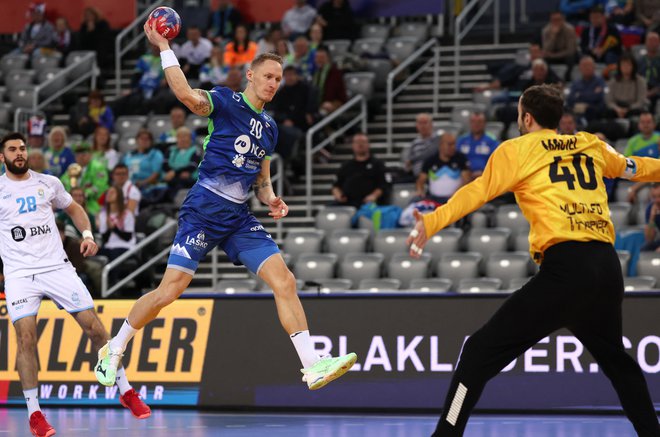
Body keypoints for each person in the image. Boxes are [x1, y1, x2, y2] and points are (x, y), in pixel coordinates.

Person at [95, 23, 357, 391]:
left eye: (279, 78)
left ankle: (312, 365)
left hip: (238, 217)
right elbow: (185, 94)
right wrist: (164, 47)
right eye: (267, 76)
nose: (273, 83)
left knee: (285, 281)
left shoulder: (269, 126)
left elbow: (260, 177)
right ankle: (115, 346)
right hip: (203, 209)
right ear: (250, 76)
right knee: (169, 292)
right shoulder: (225, 101)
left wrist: (271, 198)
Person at [406, 84, 660, 437]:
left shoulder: (518, 149)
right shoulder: (590, 144)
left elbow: (477, 192)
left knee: (479, 352)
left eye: (519, 114)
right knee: (620, 366)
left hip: (566, 270)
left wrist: (432, 221)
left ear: (526, 117)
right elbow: (637, 168)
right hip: (606, 268)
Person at [0, 132, 150, 437]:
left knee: (94, 328)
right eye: (12, 149)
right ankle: (35, 414)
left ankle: (126, 391)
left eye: (22, 148)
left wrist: (88, 235)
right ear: (1, 156)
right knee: (26, 339)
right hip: (19, 273)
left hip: (57, 267)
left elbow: (75, 209)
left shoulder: (48, 182)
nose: (19, 153)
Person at [332, 132, 388, 208]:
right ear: (352, 145)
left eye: (363, 142)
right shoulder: (346, 166)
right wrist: (339, 195)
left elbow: (383, 185)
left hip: (370, 203)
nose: (360, 145)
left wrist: (373, 196)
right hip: (348, 202)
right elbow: (336, 186)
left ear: (368, 144)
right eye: (357, 142)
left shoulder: (377, 164)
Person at [416, 133, 471, 203]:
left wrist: (456, 194)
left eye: (454, 144)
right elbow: (420, 181)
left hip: (455, 199)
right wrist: (420, 191)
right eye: (450, 144)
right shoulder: (430, 160)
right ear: (441, 145)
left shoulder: (461, 158)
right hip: (433, 199)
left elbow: (466, 180)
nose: (453, 147)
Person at [60, 142, 109, 215]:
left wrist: (83, 195)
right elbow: (62, 183)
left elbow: (99, 187)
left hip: (92, 204)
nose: (80, 157)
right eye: (78, 154)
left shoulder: (98, 167)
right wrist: (72, 194)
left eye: (84, 154)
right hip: (72, 202)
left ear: (90, 155)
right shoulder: (73, 167)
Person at [605, 53, 649, 120]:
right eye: (623, 65)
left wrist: (628, 109)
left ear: (633, 66)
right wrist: (617, 109)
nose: (625, 67)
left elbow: (641, 101)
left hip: (632, 108)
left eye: (628, 65)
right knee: (605, 111)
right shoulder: (613, 81)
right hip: (616, 108)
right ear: (619, 67)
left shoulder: (640, 81)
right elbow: (609, 100)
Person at [163, 126, 202, 200]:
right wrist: (172, 173)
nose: (182, 139)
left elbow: (192, 166)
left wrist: (174, 172)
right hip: (171, 178)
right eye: (180, 137)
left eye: (185, 136)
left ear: (190, 138)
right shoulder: (170, 150)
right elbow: (165, 165)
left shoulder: (196, 150)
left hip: (189, 179)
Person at [457, 112, 499, 178]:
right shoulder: (461, 140)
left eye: (479, 122)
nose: (476, 124)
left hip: (485, 176)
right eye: (473, 121)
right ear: (470, 123)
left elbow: (496, 162)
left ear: (484, 124)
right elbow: (455, 159)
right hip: (464, 176)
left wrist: (484, 172)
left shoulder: (492, 141)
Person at [566, 55, 606, 123]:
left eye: (589, 65)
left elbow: (599, 97)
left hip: (595, 115)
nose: (586, 68)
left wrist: (580, 95)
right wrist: (592, 94)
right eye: (584, 66)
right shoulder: (576, 83)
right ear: (580, 68)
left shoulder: (600, 81)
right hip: (576, 114)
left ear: (594, 67)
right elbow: (570, 99)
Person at [401, 113, 439, 182]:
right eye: (420, 123)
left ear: (431, 124)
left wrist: (412, 160)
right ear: (416, 126)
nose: (422, 126)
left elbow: (429, 153)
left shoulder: (437, 140)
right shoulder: (414, 143)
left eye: (425, 123)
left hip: (434, 177)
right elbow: (407, 162)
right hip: (416, 177)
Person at [312, 45, 347, 116]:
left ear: (328, 58)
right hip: (317, 105)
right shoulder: (315, 74)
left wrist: (332, 104)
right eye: (317, 57)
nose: (319, 60)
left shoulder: (335, 72)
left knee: (322, 112)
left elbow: (341, 96)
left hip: (333, 103)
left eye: (322, 58)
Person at [638, 32, 660, 114]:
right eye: (650, 40)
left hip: (656, 91)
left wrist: (651, 93)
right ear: (645, 42)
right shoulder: (639, 61)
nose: (652, 43)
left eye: (655, 41)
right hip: (641, 90)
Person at [642, 183, 660, 251]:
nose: (657, 200)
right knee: (645, 249)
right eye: (654, 197)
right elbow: (649, 239)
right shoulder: (650, 208)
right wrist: (652, 217)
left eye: (659, 196)